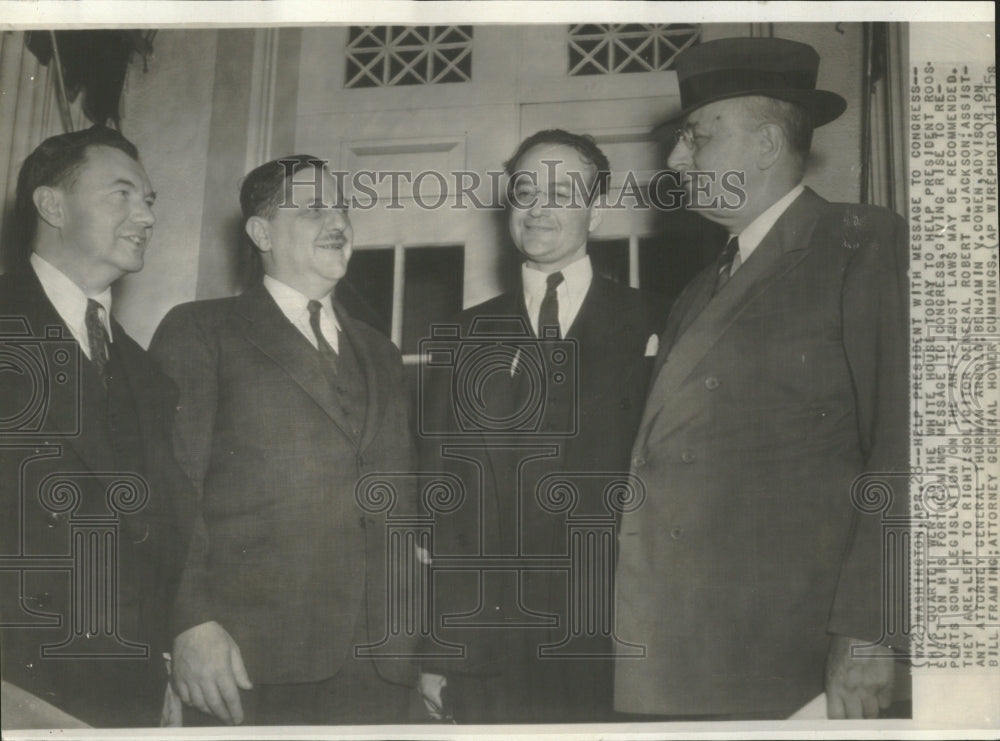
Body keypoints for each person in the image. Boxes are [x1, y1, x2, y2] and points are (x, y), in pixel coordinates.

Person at [614, 37, 909, 720]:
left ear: (769, 143)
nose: (674, 159)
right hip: (691, 652)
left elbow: (904, 446)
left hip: (795, 657)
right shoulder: (695, 290)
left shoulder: (860, 242)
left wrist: (870, 629)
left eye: (696, 136)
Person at [148, 155, 417, 726]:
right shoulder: (200, 329)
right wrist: (188, 622)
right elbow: (168, 487)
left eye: (341, 206)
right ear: (261, 231)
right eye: (315, 207)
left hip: (382, 664)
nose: (337, 219)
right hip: (247, 660)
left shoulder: (381, 351)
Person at [418, 130, 664, 723]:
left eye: (561, 190)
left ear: (596, 211)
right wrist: (438, 653)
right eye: (525, 190)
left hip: (616, 644)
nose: (538, 207)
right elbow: (439, 499)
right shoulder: (462, 335)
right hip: (490, 650)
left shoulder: (654, 323)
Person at [0, 125, 189, 727]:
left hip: (124, 692)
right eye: (123, 194)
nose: (146, 216)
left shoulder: (147, 372)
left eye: (151, 200)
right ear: (52, 205)